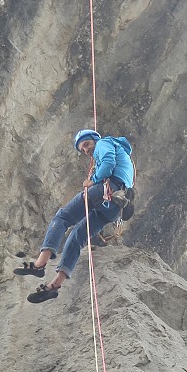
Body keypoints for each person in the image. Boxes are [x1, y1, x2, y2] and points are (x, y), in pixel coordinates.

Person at [15, 129, 135, 303]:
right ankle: (54, 286)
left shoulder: (104, 142)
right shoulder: (121, 153)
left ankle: (39, 265)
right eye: (82, 150)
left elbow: (108, 164)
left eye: (86, 145)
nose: (86, 150)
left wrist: (92, 180)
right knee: (77, 237)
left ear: (94, 139)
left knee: (62, 218)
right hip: (115, 206)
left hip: (105, 190)